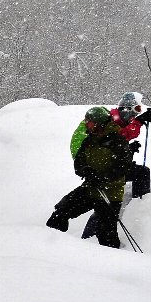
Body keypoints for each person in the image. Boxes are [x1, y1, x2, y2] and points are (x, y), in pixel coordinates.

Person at [47, 106, 136, 249]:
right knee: (61, 211)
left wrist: (103, 178)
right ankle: (50, 247)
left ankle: (113, 259)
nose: (86, 124)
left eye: (89, 121)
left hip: (110, 194)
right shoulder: (89, 140)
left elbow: (123, 167)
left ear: (99, 123)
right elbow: (79, 162)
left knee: (106, 234)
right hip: (90, 189)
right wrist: (86, 170)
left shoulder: (117, 140)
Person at [71, 92, 151, 238]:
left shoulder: (112, 119)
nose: (133, 117)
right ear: (126, 109)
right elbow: (119, 137)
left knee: (104, 203)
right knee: (106, 202)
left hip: (96, 165)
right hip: (96, 167)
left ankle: (88, 237)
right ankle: (140, 207)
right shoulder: (109, 121)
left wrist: (128, 150)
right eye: (133, 112)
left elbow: (112, 146)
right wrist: (139, 122)